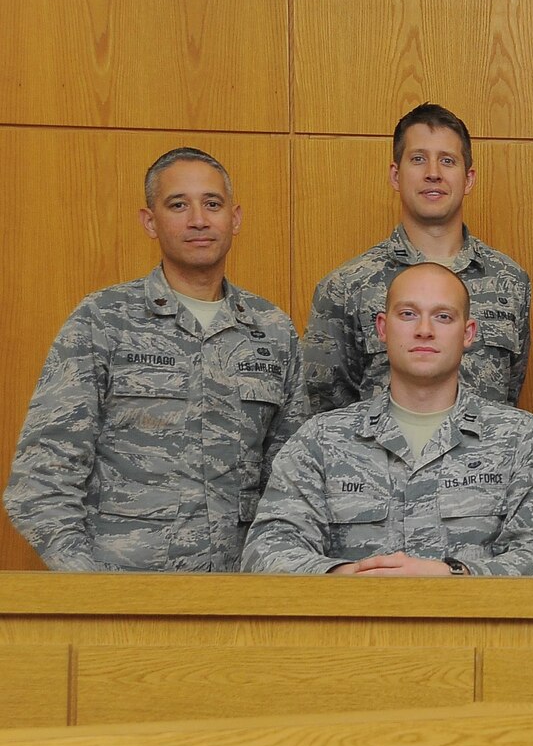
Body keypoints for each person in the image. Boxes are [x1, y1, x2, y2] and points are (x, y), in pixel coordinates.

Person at [6, 147, 307, 571]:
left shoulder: (272, 330)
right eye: (178, 205)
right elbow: (41, 477)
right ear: (150, 221)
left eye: (212, 204)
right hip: (123, 592)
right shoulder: (104, 320)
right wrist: (89, 589)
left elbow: (294, 482)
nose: (198, 219)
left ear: (234, 219)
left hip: (242, 598)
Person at [242, 263, 533, 575]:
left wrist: (454, 575)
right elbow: (267, 551)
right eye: (408, 314)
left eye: (443, 316)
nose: (424, 331)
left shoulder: (520, 440)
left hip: (477, 632)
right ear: (382, 328)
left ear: (468, 333)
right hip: (356, 628)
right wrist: (348, 576)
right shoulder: (321, 441)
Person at [301, 103, 532, 414]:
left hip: (482, 461)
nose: (433, 174)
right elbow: (326, 413)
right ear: (396, 176)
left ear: (469, 179)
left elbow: (509, 395)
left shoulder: (511, 282)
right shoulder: (345, 286)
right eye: (418, 159)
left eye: (447, 161)